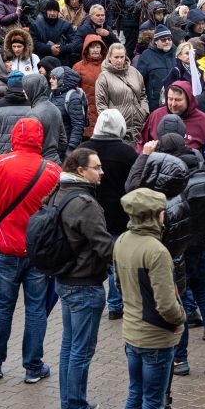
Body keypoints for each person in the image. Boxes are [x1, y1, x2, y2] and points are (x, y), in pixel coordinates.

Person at [0, 118, 62, 382]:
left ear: (14, 137)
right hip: (39, 253)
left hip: (7, 249)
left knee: (1, 309)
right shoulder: (53, 171)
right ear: (40, 138)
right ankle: (33, 367)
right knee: (36, 310)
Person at [114, 187, 185, 409]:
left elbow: (119, 287)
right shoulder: (156, 251)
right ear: (155, 215)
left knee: (135, 395)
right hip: (156, 339)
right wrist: (181, 318)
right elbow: (166, 304)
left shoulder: (122, 241)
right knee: (153, 403)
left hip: (132, 334)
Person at [54, 148, 114, 409]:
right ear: (81, 170)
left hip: (65, 280)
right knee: (81, 348)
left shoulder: (59, 192)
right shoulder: (86, 204)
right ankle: (77, 408)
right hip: (84, 284)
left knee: (69, 345)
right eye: (96, 167)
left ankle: (69, 402)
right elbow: (104, 245)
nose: (101, 172)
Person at [78, 109, 138, 320]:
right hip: (118, 215)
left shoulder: (83, 150)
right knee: (116, 260)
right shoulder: (128, 153)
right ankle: (115, 304)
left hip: (87, 213)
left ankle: (91, 299)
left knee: (90, 257)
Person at [137, 82, 205, 153]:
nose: (173, 104)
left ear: (188, 99)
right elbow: (142, 143)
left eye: (178, 100)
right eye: (170, 99)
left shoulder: (203, 120)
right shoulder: (156, 115)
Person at [96, 43, 148, 143]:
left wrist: (144, 111)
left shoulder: (134, 71)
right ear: (109, 57)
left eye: (122, 57)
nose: (119, 60)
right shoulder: (104, 77)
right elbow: (101, 104)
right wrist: (112, 124)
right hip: (118, 127)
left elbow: (142, 94)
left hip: (138, 124)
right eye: (116, 57)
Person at [22, 73, 65, 163]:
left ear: (32, 89)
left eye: (26, 87)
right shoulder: (55, 108)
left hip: (39, 164)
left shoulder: (32, 115)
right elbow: (63, 141)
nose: (23, 91)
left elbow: (28, 146)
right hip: (55, 162)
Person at [136, 25, 177, 112]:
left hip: (176, 102)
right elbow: (139, 81)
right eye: (163, 40)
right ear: (156, 41)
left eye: (169, 39)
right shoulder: (146, 55)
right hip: (155, 104)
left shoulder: (177, 53)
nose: (167, 42)